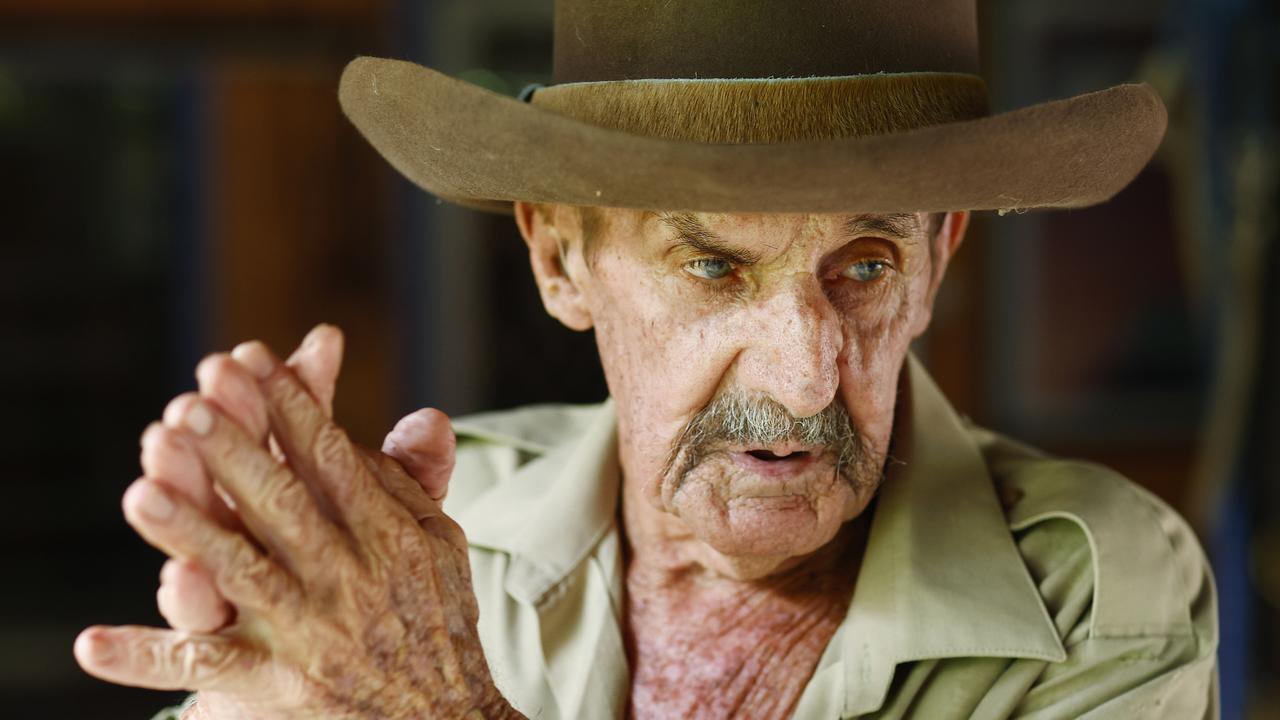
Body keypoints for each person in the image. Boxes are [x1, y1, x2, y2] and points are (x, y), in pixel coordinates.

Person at [75, 0, 1219, 717]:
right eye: (713, 266)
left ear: (937, 259)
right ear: (558, 255)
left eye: (863, 266)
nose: (805, 377)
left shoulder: (1097, 594)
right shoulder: (420, 552)